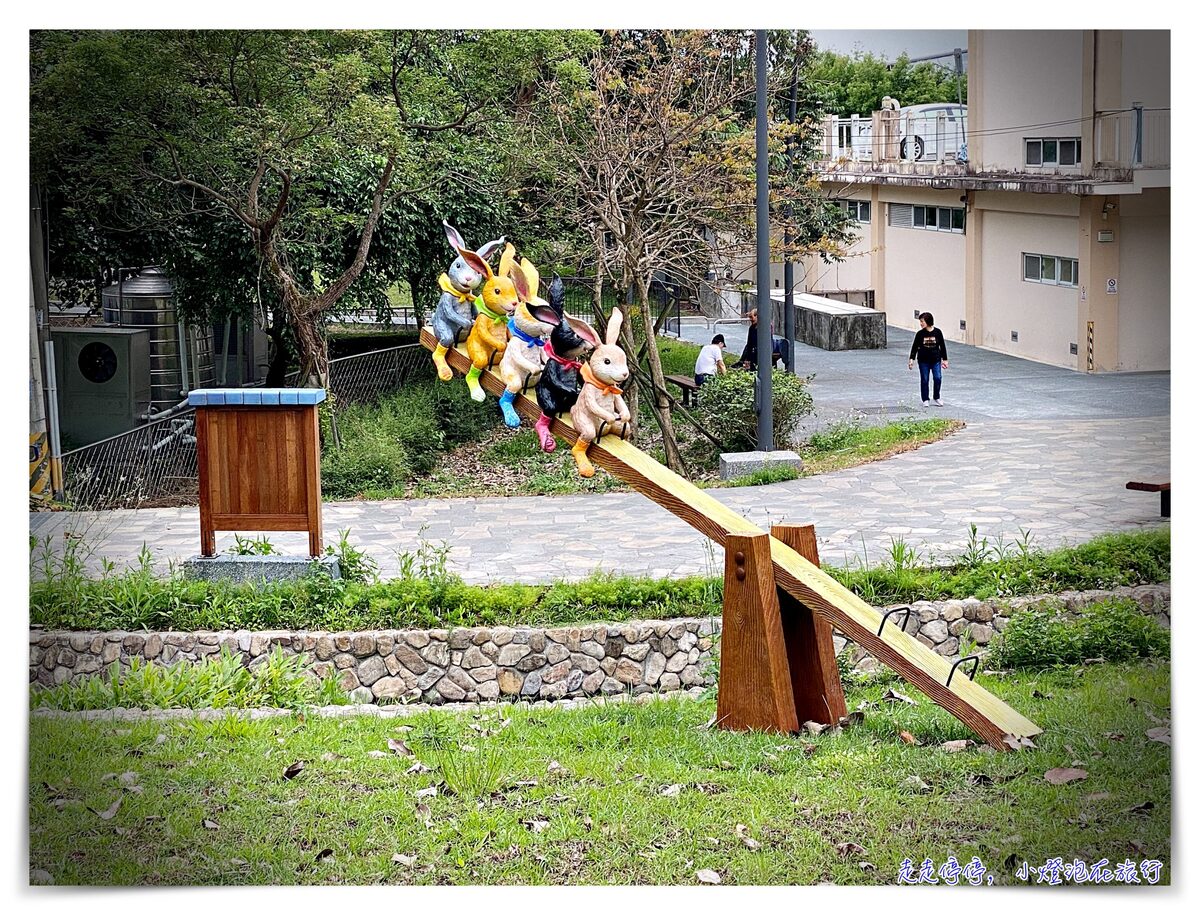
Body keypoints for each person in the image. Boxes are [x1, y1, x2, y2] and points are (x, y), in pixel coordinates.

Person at [908, 311, 949, 406]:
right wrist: (911, 359)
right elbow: (914, 347)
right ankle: (925, 399)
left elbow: (942, 346)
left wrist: (945, 359)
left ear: (928, 321)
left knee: (938, 378)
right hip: (923, 360)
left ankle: (936, 397)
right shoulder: (920, 334)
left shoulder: (937, 332)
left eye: (922, 321)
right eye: (920, 321)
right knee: (925, 379)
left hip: (936, 360)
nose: (921, 323)